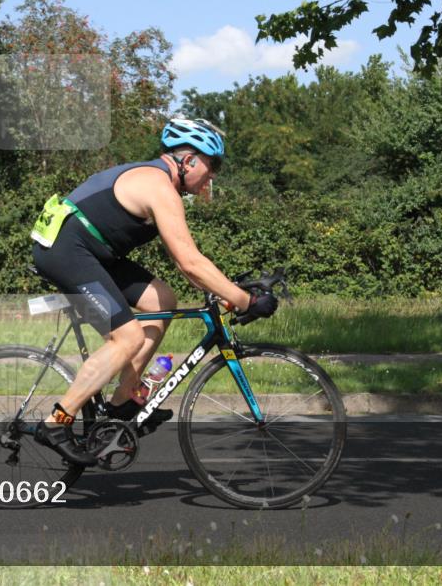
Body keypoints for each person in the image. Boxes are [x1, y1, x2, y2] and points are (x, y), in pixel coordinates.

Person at [29, 118, 279, 465]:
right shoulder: (157, 187)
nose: (214, 174)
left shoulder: (161, 184)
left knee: (162, 299)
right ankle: (56, 423)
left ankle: (122, 403)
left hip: (94, 250)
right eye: (212, 164)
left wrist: (226, 293)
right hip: (67, 250)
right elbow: (190, 262)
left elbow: (187, 263)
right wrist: (245, 301)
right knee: (127, 338)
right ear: (189, 160)